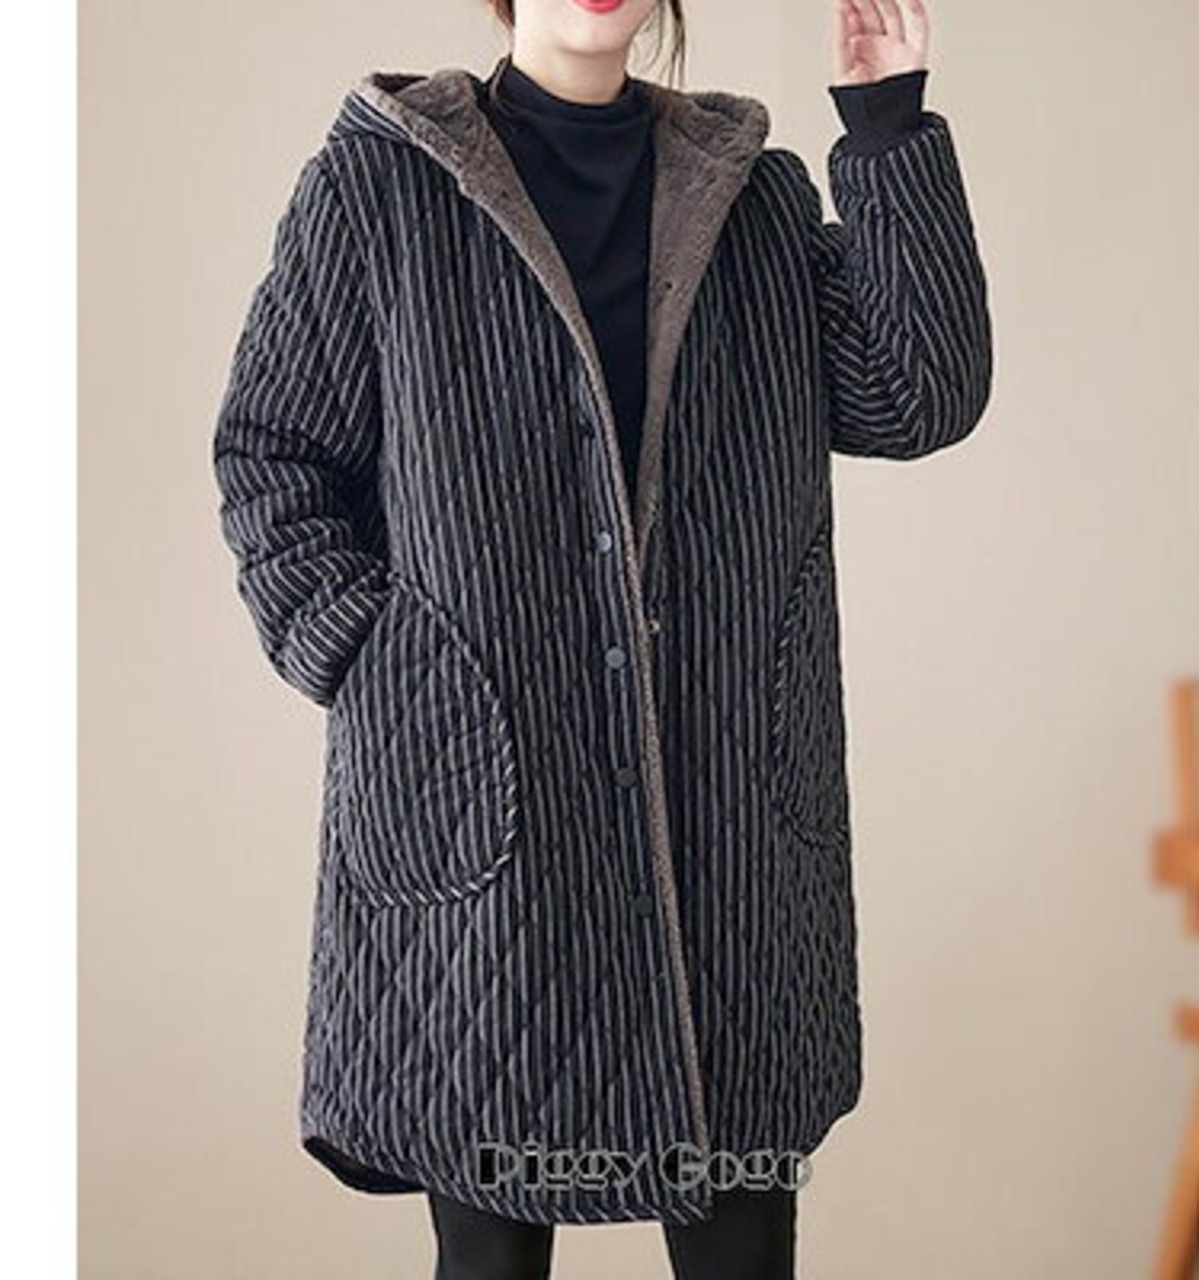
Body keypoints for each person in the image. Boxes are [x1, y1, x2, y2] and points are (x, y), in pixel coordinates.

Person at [211, 0, 990, 1276]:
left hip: (726, 816)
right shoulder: (380, 187)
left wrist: (885, 120)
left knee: (740, 1248)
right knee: (489, 1255)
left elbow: (917, 392)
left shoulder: (751, 200)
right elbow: (273, 452)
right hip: (484, 798)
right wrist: (381, 663)